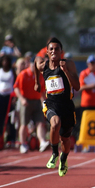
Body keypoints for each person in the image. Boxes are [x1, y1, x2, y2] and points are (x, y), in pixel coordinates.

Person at [34, 37, 80, 176]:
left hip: (66, 106)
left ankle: (63, 159)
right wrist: (37, 82)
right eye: (51, 49)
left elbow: (77, 86)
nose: (54, 51)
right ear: (47, 52)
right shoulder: (44, 66)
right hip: (51, 104)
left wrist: (65, 71)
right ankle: (54, 153)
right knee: (55, 123)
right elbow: (36, 64)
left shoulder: (68, 64)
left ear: (61, 52)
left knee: (65, 140)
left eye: (57, 49)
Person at [14, 57, 49, 153]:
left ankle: (42, 142)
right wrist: (21, 99)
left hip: (37, 101)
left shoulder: (41, 76)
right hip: (26, 101)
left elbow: (42, 91)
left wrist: (43, 103)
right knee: (24, 124)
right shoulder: (23, 74)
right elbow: (16, 88)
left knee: (40, 122)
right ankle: (23, 144)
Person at [0, 55, 16, 149]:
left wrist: (15, 97)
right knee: (0, 117)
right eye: (3, 61)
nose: (5, 63)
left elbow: (16, 83)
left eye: (7, 61)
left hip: (9, 97)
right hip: (0, 96)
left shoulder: (12, 71)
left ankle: (11, 139)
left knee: (10, 118)